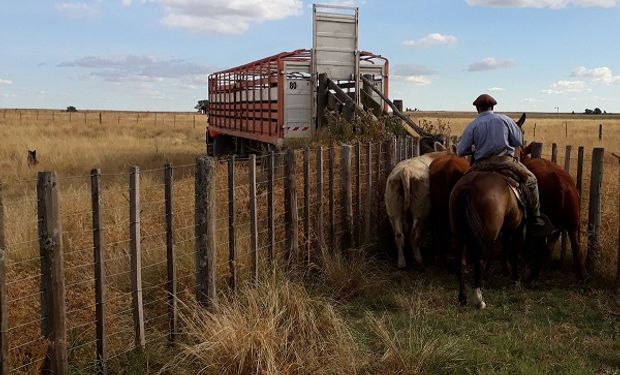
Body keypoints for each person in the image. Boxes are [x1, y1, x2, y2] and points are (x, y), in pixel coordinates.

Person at [456, 94, 553, 237]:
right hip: (504, 161)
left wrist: (472, 149)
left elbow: (460, 151)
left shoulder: (473, 125)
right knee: (531, 180)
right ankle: (535, 217)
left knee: (460, 184)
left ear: (477, 108)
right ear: (493, 107)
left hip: (481, 164)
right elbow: (518, 141)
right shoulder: (505, 120)